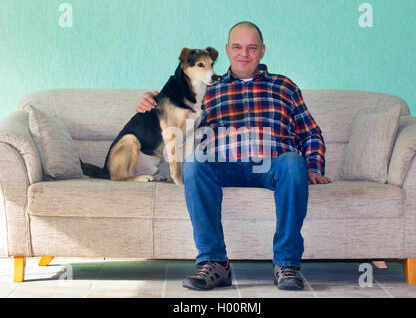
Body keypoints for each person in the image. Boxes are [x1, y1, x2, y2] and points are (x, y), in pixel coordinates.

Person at [136, 21, 332, 291]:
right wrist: (151, 101)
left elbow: (310, 133)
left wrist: (313, 167)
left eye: (252, 48)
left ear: (262, 50)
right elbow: (174, 109)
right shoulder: (208, 87)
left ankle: (286, 264)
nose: (244, 54)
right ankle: (215, 264)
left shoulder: (284, 86)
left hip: (273, 165)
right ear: (227, 50)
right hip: (224, 165)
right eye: (238, 47)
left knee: (293, 161)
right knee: (194, 163)